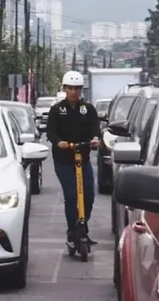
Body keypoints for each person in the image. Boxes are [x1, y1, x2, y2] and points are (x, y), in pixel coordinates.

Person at [45, 71, 101, 249]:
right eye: (70, 88)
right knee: (71, 195)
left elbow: (95, 127)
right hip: (64, 159)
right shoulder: (57, 110)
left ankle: (82, 228)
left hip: (82, 157)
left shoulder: (88, 109)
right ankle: (72, 230)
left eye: (77, 88)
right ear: (64, 88)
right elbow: (51, 132)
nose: (74, 92)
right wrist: (59, 142)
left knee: (89, 195)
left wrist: (95, 139)